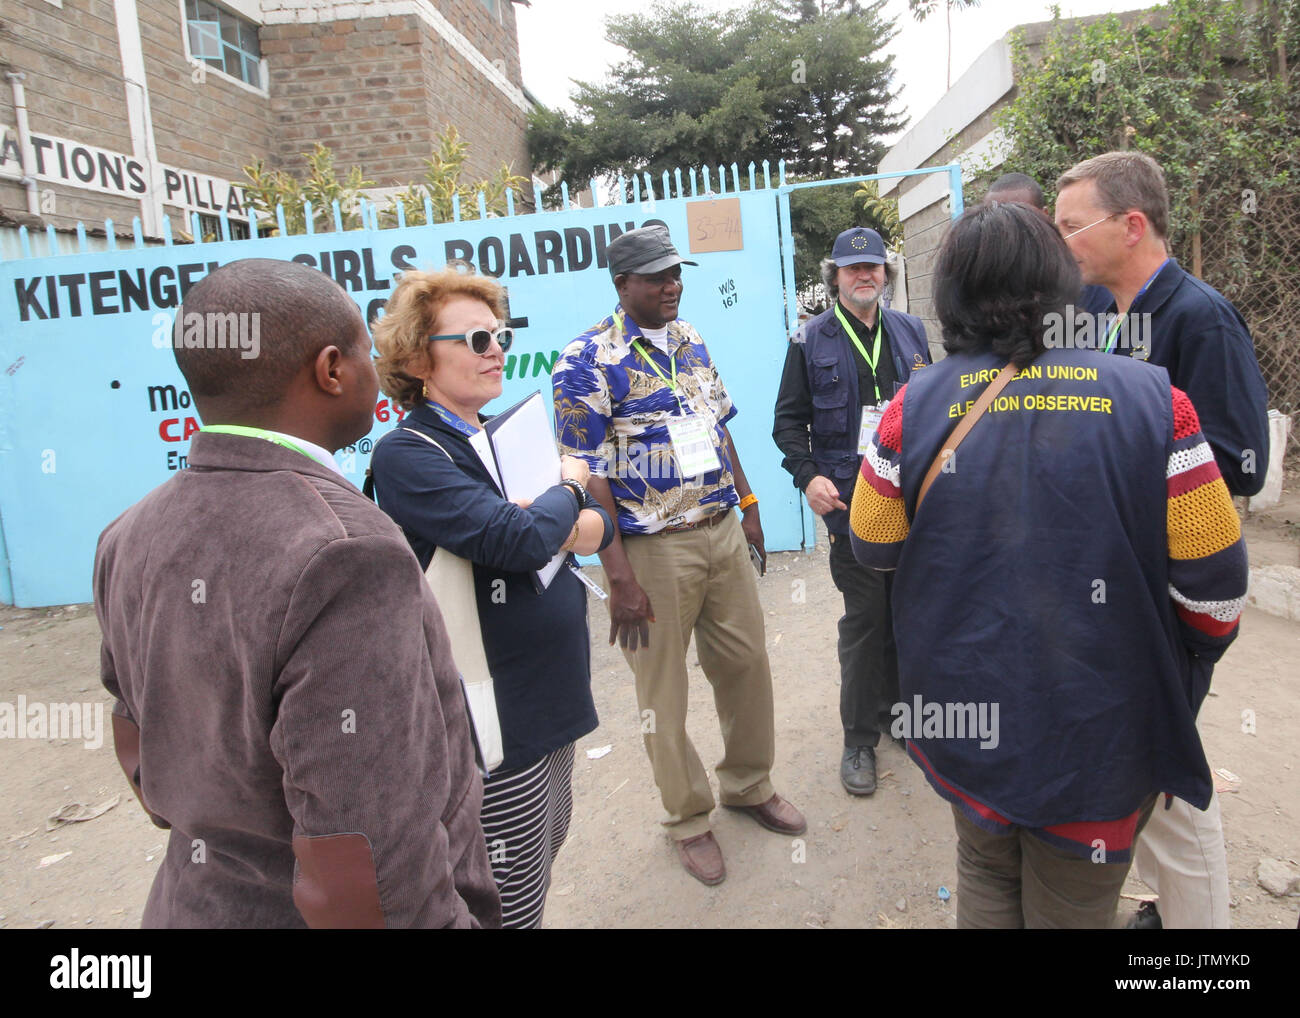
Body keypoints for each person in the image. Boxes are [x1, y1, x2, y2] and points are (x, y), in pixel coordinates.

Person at [848, 203, 1249, 929]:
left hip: (966, 712)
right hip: (1100, 728)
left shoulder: (911, 407)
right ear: (1062, 283)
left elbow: (873, 545)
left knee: (983, 871)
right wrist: (1183, 663)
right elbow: (1216, 593)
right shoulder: (1160, 404)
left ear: (952, 293)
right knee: (1075, 902)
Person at [93, 258, 500, 928]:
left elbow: (137, 747)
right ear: (332, 370)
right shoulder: (347, 552)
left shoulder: (127, 532)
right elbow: (372, 857)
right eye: (365, 350)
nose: (376, 371)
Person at [552, 224, 805, 887]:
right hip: (650, 549)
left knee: (746, 664)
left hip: (720, 529)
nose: (672, 286)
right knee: (661, 692)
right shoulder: (585, 359)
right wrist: (618, 576)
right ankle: (688, 818)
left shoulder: (689, 338)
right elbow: (586, 474)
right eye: (657, 277)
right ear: (621, 284)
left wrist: (749, 505)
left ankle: (748, 785)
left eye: (676, 274)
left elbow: (717, 427)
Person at [1056, 150, 1270, 929]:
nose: (1061, 241)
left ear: (1131, 225)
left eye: (1072, 226)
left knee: (1164, 762)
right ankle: (1164, 902)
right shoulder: (1091, 307)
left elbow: (1242, 460)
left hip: (1169, 586)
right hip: (1107, 579)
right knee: (1135, 751)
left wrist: (1129, 467)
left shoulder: (1200, 318)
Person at [369, 268, 613, 929]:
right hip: (493, 724)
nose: (496, 350)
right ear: (418, 358)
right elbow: (521, 539)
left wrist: (561, 519)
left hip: (550, 700)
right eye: (476, 339)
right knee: (503, 900)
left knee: (542, 857)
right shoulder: (409, 453)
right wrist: (568, 488)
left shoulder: (501, 434)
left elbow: (599, 527)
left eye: (500, 335)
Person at [772, 227, 930, 795]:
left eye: (873, 266)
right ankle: (859, 740)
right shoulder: (808, 341)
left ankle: (899, 717)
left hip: (909, 503)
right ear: (834, 276)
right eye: (852, 267)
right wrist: (808, 477)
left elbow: (934, 410)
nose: (865, 275)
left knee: (906, 617)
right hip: (850, 505)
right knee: (865, 621)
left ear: (886, 273)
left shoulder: (911, 331)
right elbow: (788, 423)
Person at [984, 171, 1111, 313]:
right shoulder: (979, 277)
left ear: (1044, 215)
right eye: (995, 223)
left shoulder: (1081, 272)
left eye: (1020, 219)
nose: (1008, 232)